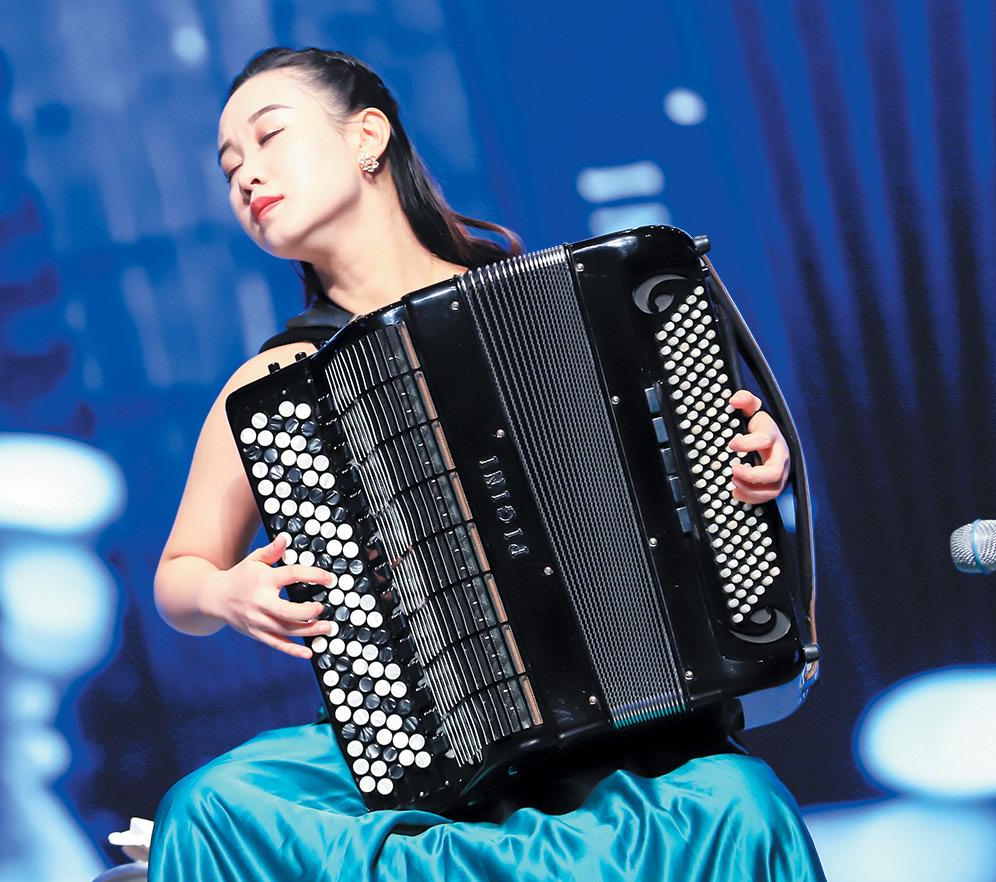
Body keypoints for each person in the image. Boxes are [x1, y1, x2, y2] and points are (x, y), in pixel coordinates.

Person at [147, 47, 823, 880]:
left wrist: (744, 468)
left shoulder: (564, 303)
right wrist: (222, 592)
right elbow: (179, 575)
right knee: (209, 805)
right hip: (431, 750)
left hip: (638, 722)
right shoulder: (281, 381)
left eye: (269, 137)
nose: (247, 175)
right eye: (229, 166)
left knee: (743, 804)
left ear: (367, 136)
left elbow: (685, 480)